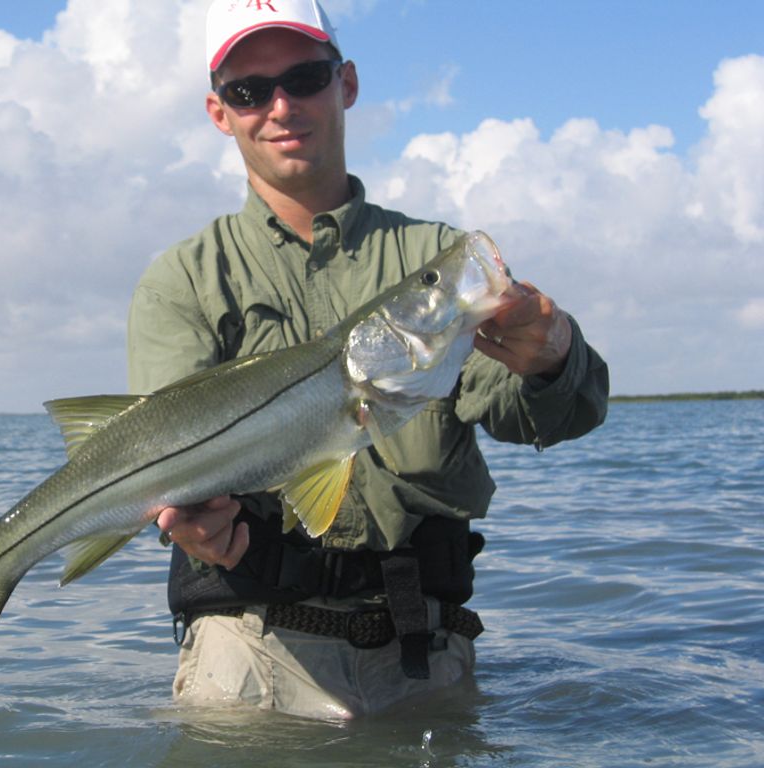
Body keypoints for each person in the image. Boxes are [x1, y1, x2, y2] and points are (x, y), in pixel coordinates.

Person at [127, 0, 608, 720]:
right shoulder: (187, 279)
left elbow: (541, 414)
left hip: (426, 654)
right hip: (250, 660)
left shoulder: (430, 260)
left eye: (306, 77)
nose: (282, 105)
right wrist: (190, 519)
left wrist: (553, 354)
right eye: (249, 91)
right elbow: (164, 456)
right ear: (218, 111)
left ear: (346, 83)